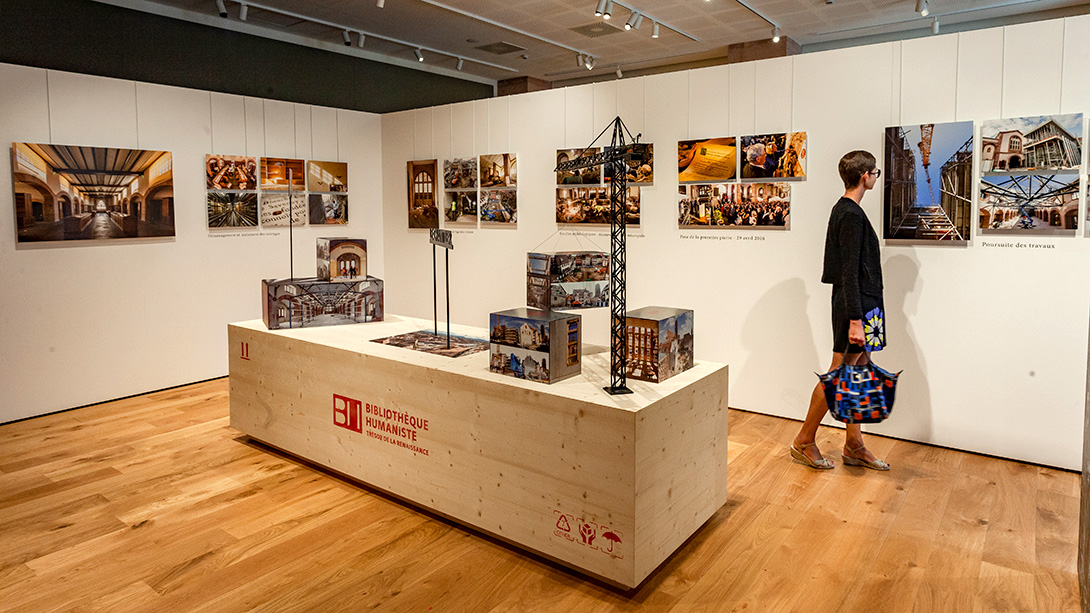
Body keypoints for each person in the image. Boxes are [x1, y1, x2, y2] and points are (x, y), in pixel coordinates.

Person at [791, 150, 890, 471]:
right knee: (837, 375)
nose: (876, 176)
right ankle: (803, 440)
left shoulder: (850, 211)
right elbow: (847, 271)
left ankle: (854, 444)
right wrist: (856, 320)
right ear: (865, 176)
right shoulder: (849, 214)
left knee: (859, 372)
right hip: (855, 306)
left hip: (865, 302)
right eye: (875, 172)